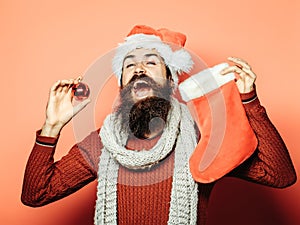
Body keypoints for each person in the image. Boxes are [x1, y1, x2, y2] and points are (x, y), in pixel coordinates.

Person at [21, 25, 296, 225]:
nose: (139, 69)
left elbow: (279, 175)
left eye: (151, 62)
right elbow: (36, 194)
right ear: (122, 85)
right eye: (129, 65)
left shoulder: (202, 135)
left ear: (170, 80)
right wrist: (52, 126)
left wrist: (250, 102)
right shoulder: (103, 143)